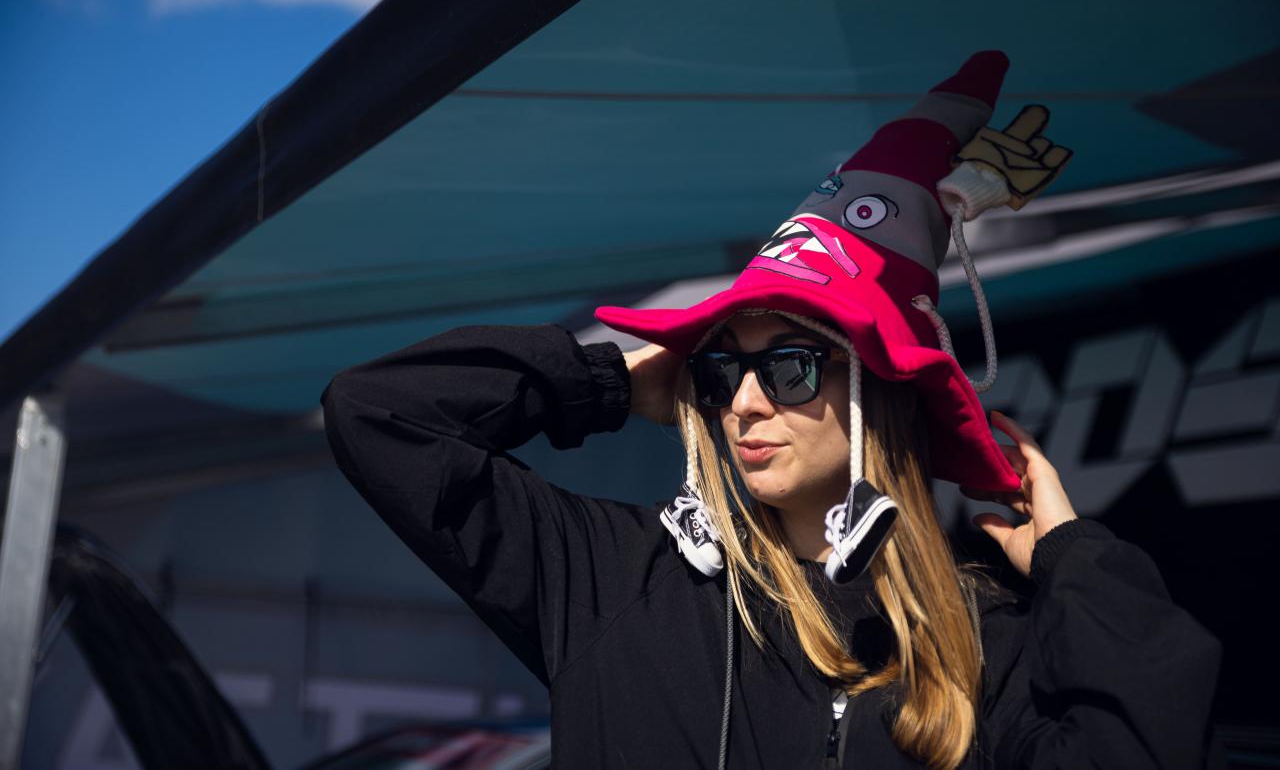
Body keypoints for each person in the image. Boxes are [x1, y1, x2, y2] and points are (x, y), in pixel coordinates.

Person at [320, 52, 1222, 769]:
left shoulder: (985, 637)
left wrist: (1078, 562)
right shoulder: (609, 580)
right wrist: (613, 381)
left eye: (789, 368)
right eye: (721, 371)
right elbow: (376, 414)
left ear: (881, 387)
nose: (744, 402)